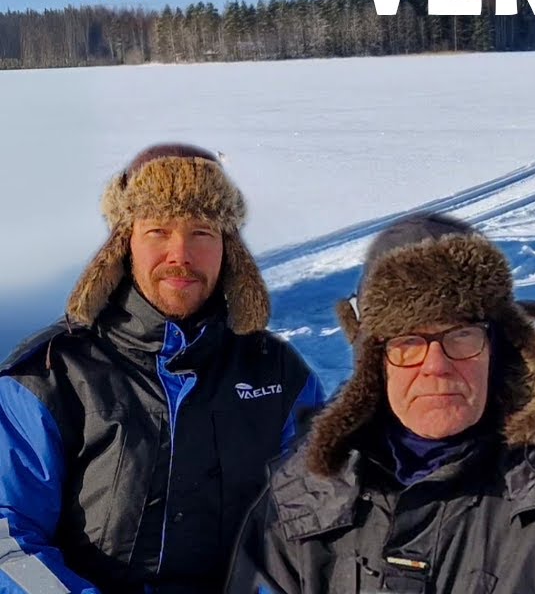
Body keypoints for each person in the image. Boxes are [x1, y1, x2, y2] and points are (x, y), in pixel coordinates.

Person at [225, 212, 535, 594]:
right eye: (409, 341)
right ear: (375, 363)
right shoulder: (306, 489)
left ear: (497, 348)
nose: (436, 366)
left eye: (460, 335)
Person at [0, 143, 325, 593]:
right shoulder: (50, 374)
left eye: (202, 232)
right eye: (158, 230)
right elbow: (8, 536)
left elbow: (313, 521)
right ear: (124, 241)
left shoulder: (279, 374)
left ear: (228, 247)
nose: (180, 254)